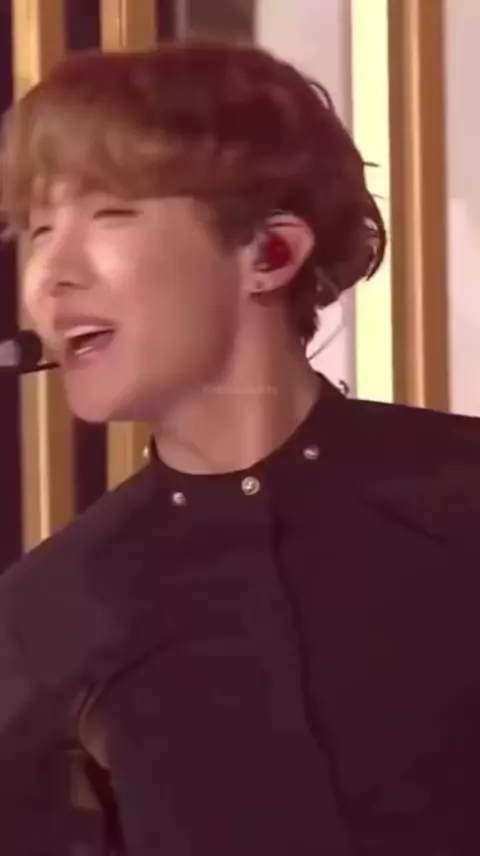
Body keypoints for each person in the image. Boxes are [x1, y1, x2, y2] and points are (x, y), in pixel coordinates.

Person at [0, 39, 479, 856]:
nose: (50, 276)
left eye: (110, 214)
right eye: (39, 229)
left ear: (270, 253)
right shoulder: (41, 617)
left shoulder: (460, 496)